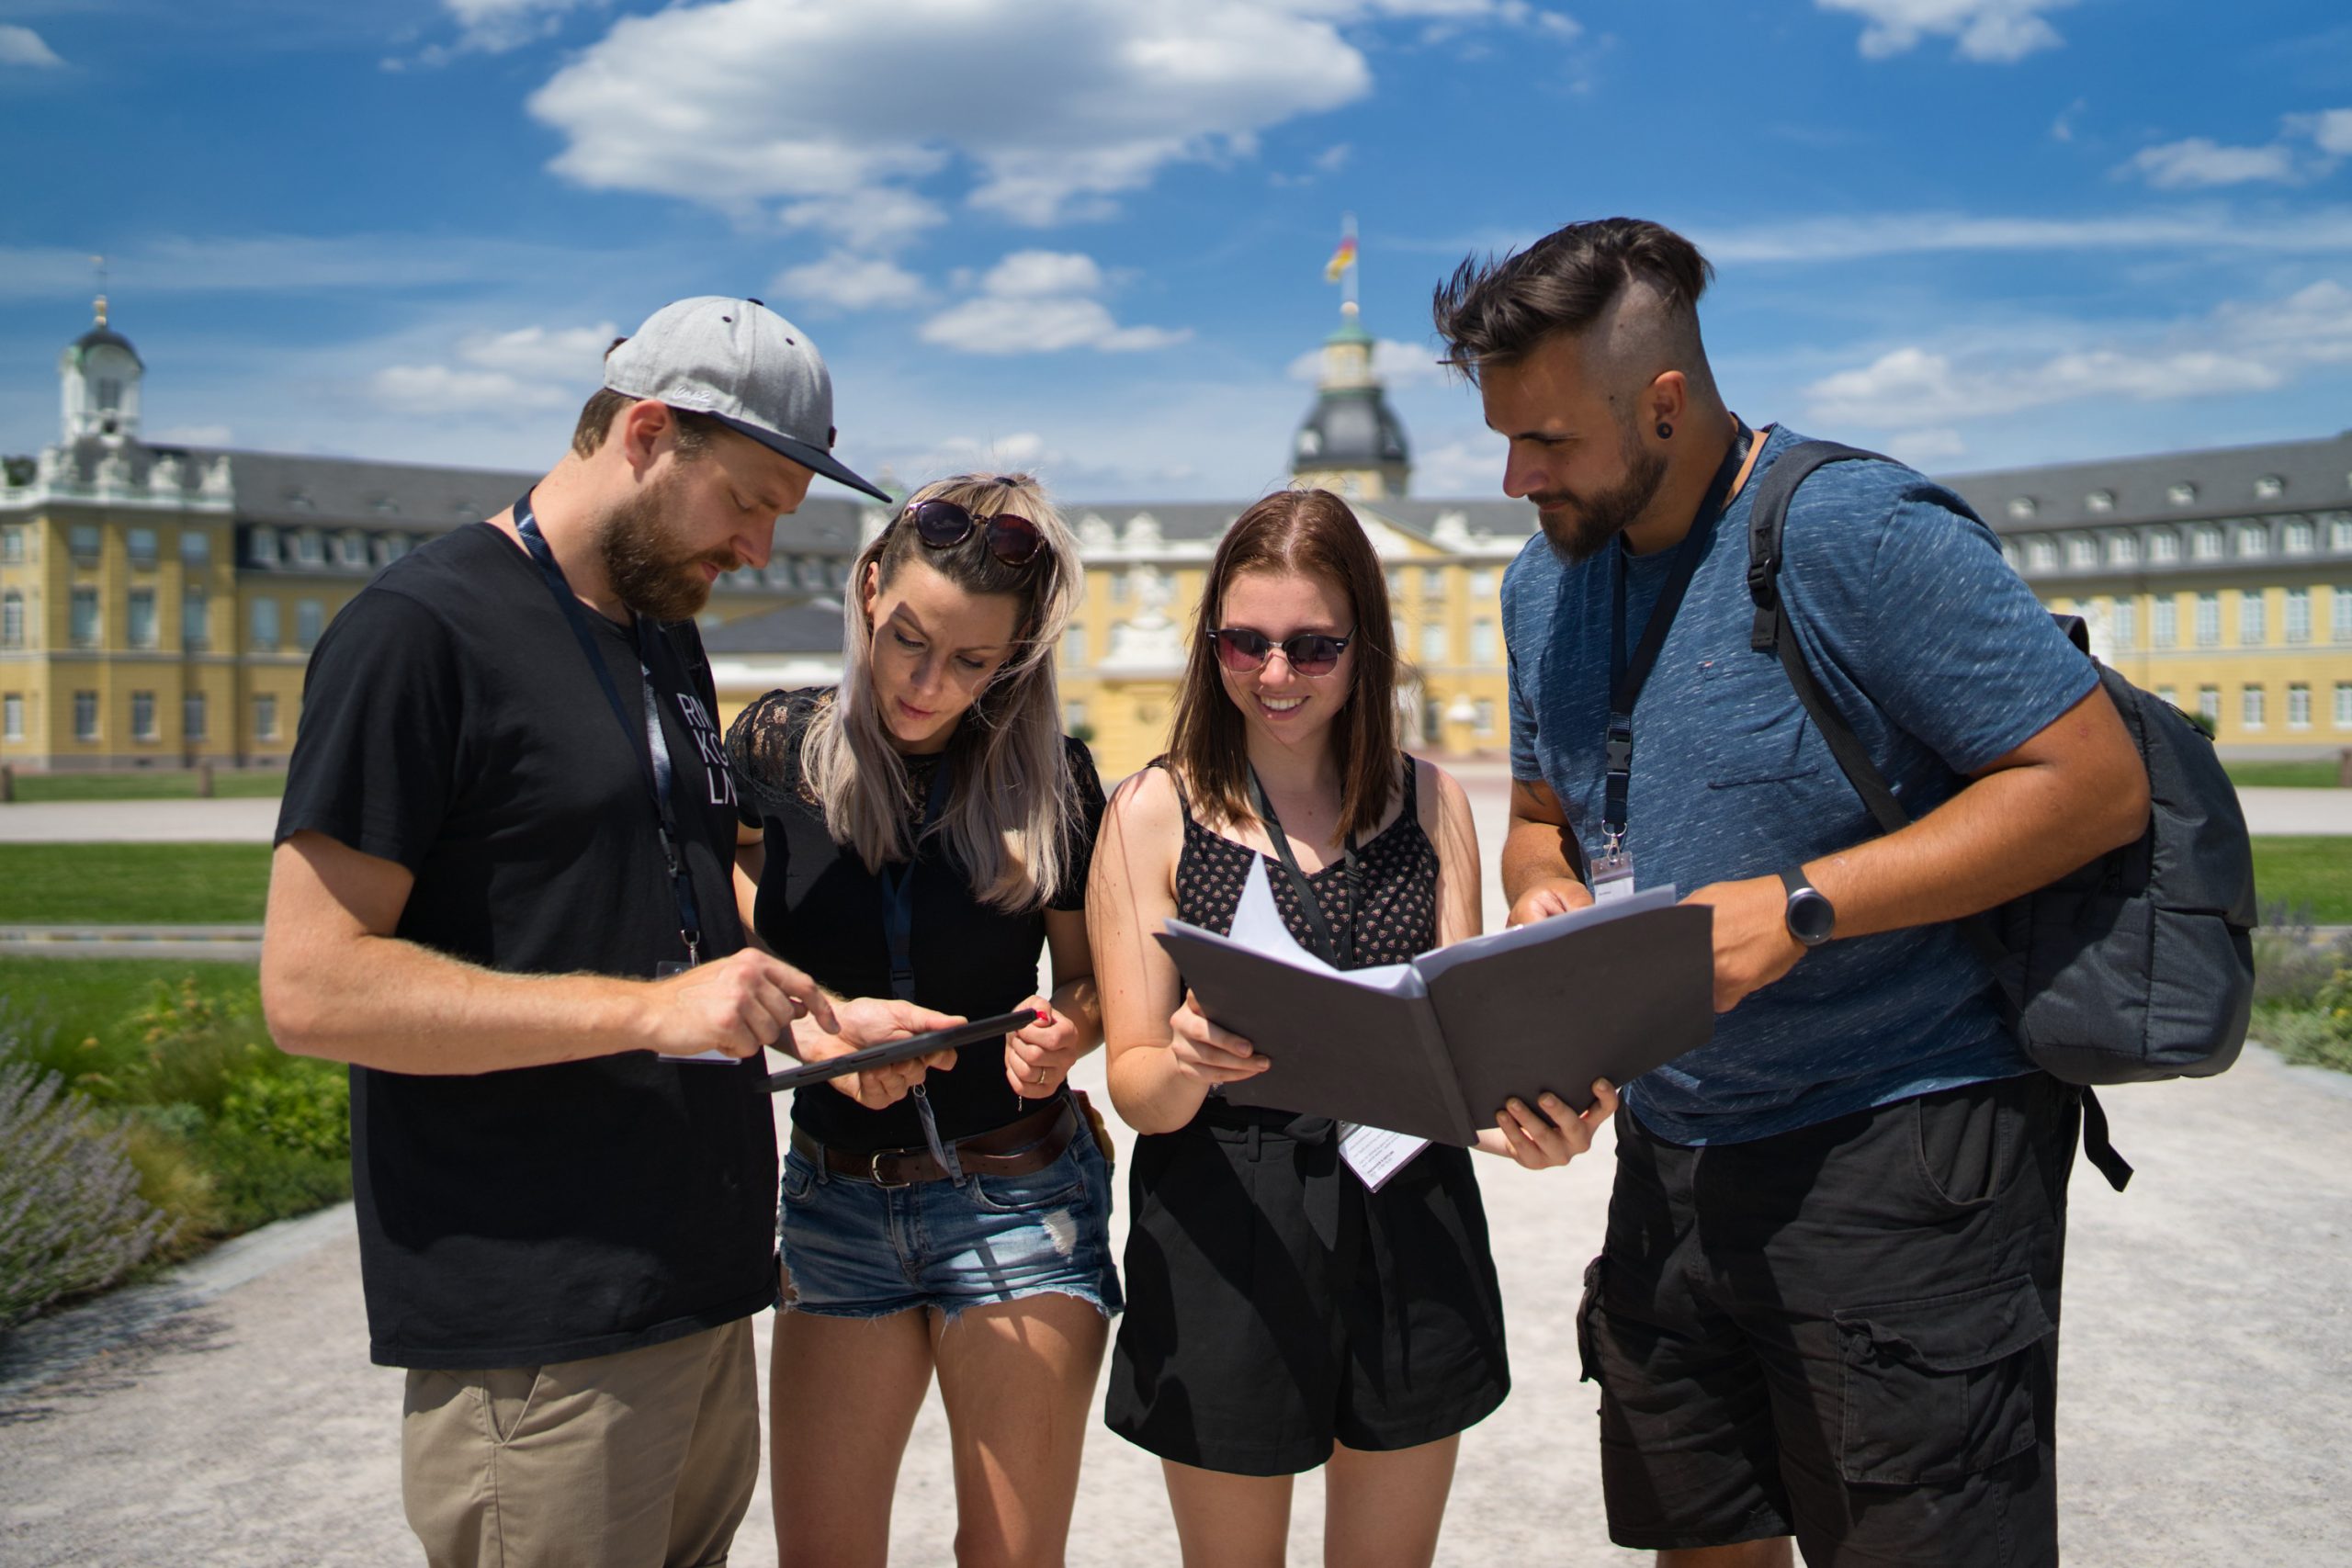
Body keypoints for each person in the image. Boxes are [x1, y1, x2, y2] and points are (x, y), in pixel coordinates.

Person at [1430, 219, 2151, 1567]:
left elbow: (2092, 782)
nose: (1516, 476)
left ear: (1665, 402)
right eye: (1503, 438)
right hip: (1670, 1164)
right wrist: (1545, 913)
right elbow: (1540, 819)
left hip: (1897, 1156)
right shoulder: (1543, 586)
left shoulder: (1853, 532)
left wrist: (1801, 905)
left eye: (1547, 440)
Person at [260, 297, 959, 1568]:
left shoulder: (661, 635)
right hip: (543, 1320)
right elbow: (313, 988)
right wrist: (648, 1011)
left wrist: (814, 1016)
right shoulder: (418, 634)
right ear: (646, 433)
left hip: (695, 1287)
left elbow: (661, 909)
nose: (758, 547)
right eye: (746, 502)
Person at [1087, 488, 1619, 1568]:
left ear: (1363, 646)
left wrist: (1537, 1125)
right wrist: (1187, 1062)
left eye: (1313, 647)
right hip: (1225, 1222)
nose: (1275, 674)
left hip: (1408, 1219)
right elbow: (1135, 1088)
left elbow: (1457, 1065)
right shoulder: (1151, 810)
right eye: (1244, 642)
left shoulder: (1430, 803)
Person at [725, 472, 1117, 1568]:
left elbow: (1089, 981)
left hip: (1017, 1198)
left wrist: (1067, 1032)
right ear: (867, 590)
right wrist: (813, 1012)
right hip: (834, 1201)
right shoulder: (776, 744)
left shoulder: (1053, 780)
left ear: (1015, 658)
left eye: (971, 661)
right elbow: (733, 887)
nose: (926, 683)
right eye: (907, 639)